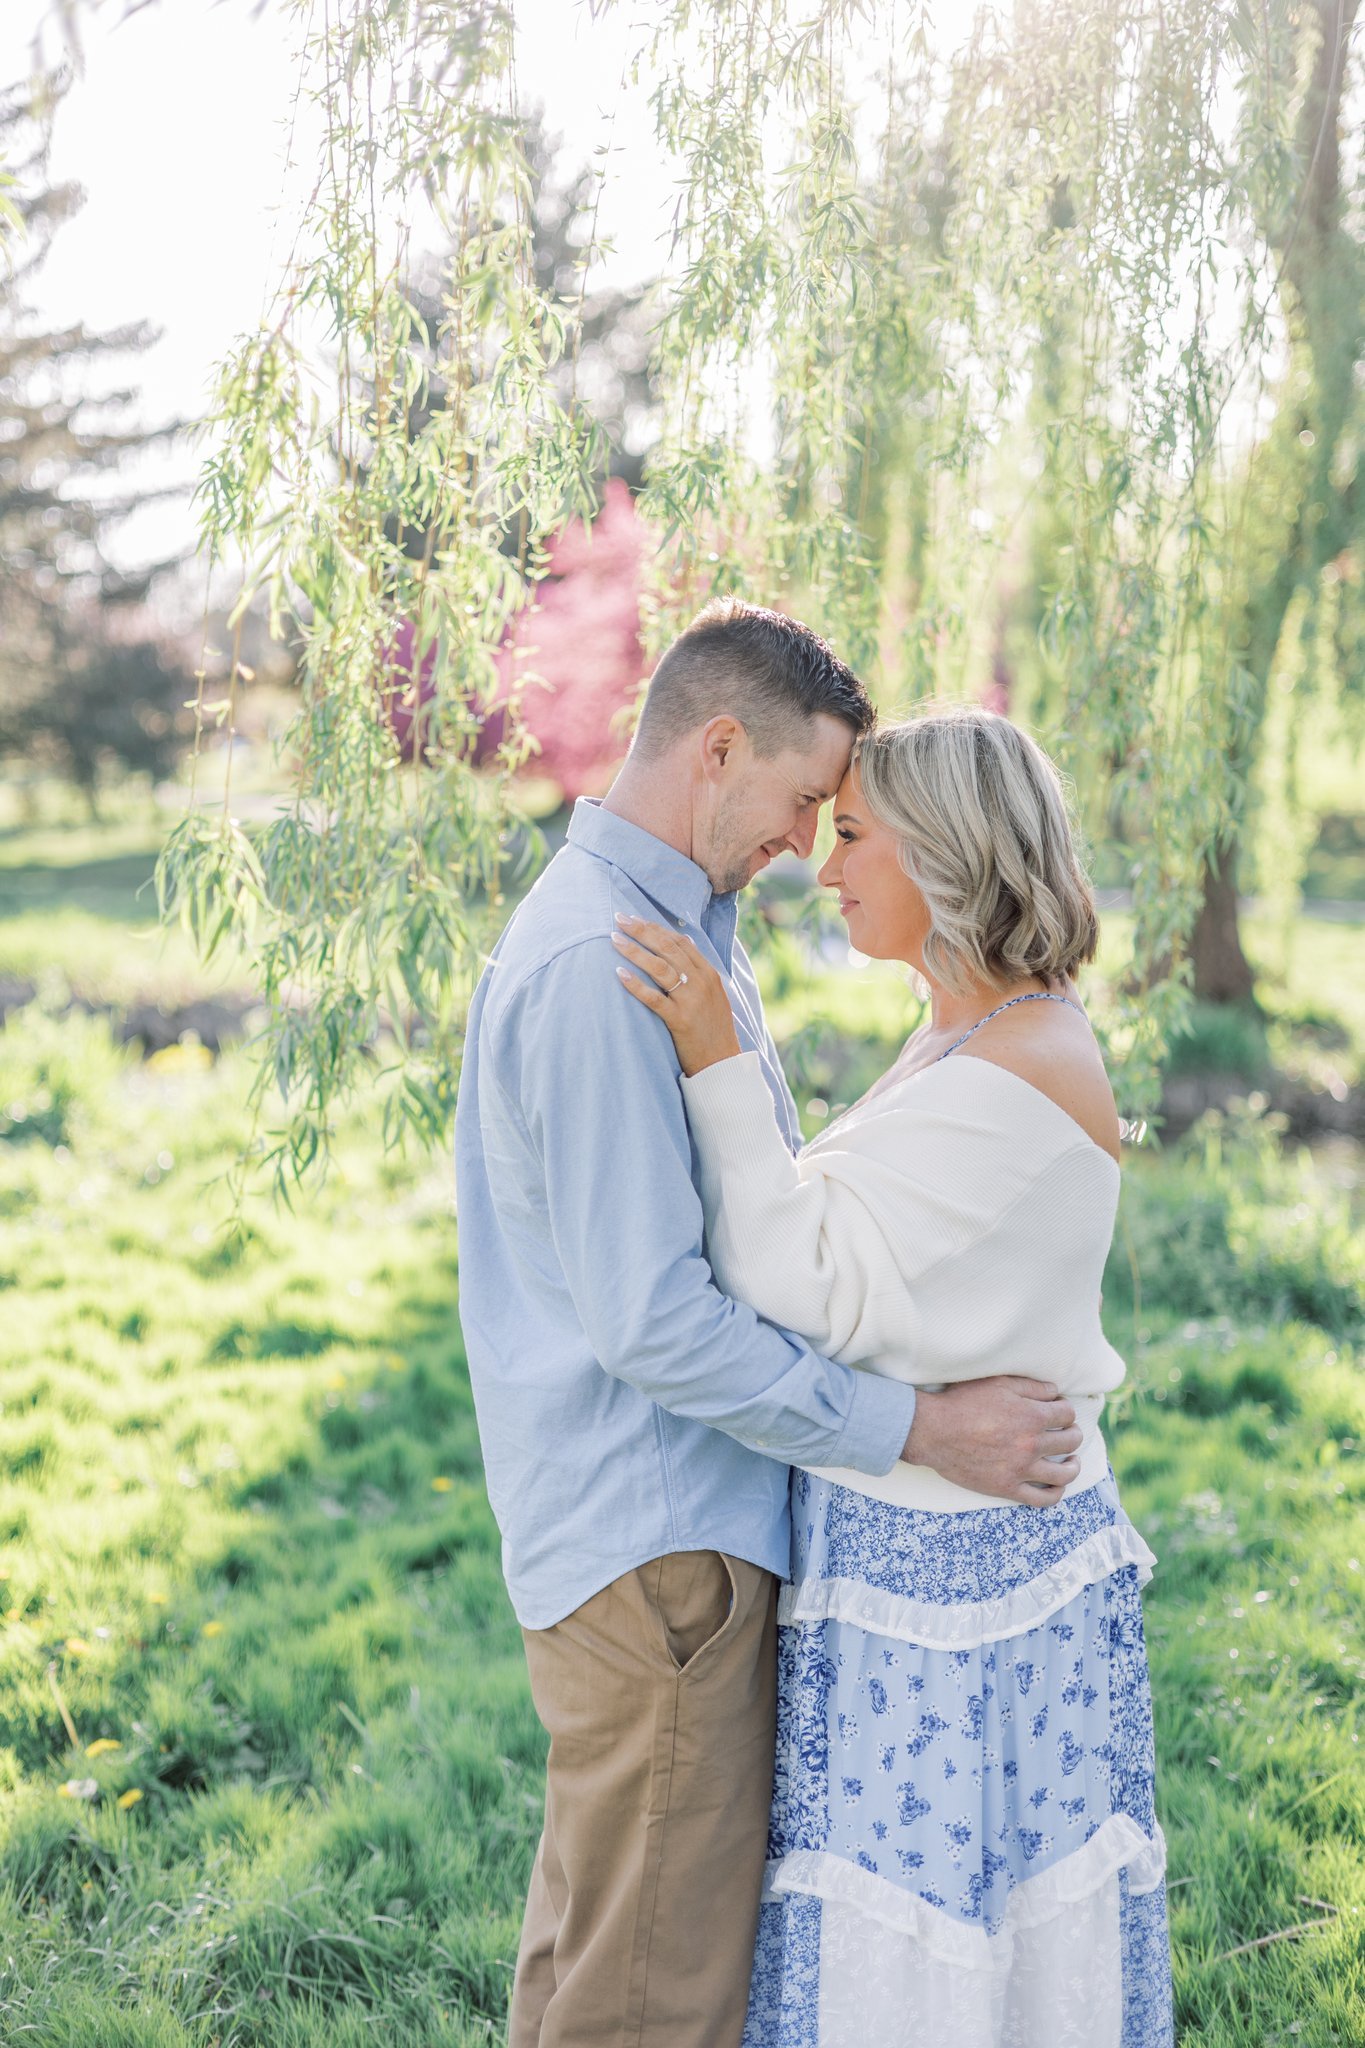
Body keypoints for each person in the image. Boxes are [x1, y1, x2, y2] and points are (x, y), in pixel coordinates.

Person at [454, 600, 1088, 2048]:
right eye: (806, 799)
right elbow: (657, 1324)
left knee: (593, 1957)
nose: (809, 846)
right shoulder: (606, 965)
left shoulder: (670, 934)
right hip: (662, 1549)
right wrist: (916, 1427)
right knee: (651, 1998)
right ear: (716, 746)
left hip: (649, 1533)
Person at [614, 702, 1173, 2047]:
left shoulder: (1015, 1069)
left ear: (945, 851)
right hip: (917, 1567)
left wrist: (714, 1063)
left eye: (853, 831)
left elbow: (800, 1282)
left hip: (961, 1607)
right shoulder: (967, 1037)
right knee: (906, 1940)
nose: (825, 862)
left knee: (932, 1952)